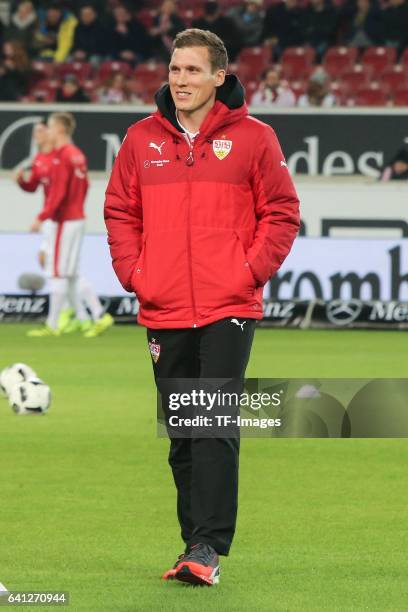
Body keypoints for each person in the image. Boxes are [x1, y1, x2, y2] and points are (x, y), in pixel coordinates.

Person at [104, 28, 299, 586]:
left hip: (228, 305)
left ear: (220, 76)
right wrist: (135, 274)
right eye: (174, 69)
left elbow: (282, 212)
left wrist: (248, 271)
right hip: (163, 304)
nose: (180, 80)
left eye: (192, 70)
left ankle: (208, 547)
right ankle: (195, 542)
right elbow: (120, 210)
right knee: (183, 432)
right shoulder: (141, 139)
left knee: (213, 422)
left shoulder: (256, 138)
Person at [15, 121, 110, 337]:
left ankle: (56, 323)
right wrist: (23, 181)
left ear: (58, 130)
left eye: (46, 127)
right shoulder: (62, 156)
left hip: (62, 219)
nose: (42, 132)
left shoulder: (62, 156)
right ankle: (87, 317)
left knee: (58, 273)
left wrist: (43, 217)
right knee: (69, 273)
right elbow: (80, 186)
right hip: (66, 218)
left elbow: (59, 193)